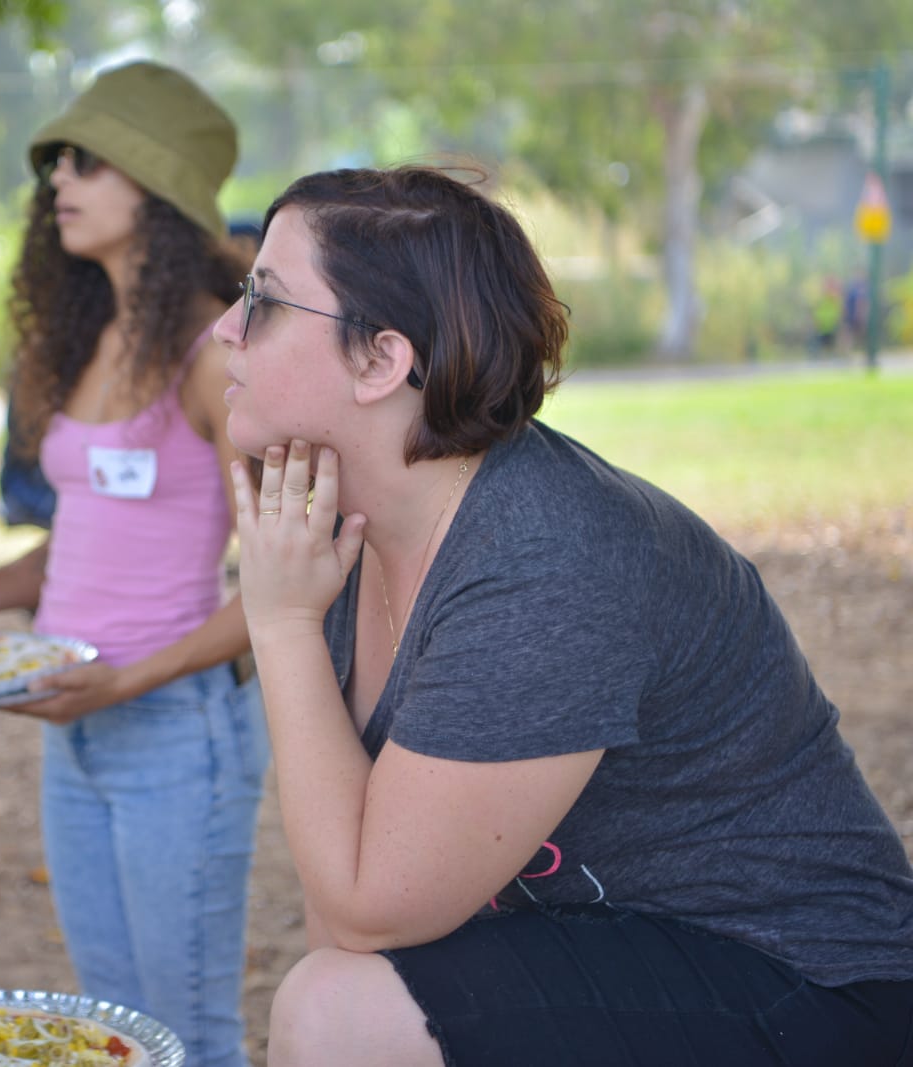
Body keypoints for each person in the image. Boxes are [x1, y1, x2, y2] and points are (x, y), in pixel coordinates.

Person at [216, 167, 913, 1065]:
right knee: (336, 1000)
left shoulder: (545, 555)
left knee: (331, 1014)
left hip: (808, 984)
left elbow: (365, 906)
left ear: (380, 360)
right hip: (613, 945)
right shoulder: (351, 526)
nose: (223, 327)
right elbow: (349, 906)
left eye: (262, 301)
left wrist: (280, 626)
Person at [0, 62, 266, 1067]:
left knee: (190, 1039)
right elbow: (94, 533)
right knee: (113, 1032)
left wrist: (126, 681)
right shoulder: (87, 338)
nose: (59, 177)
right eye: (56, 160)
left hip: (177, 734)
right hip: (77, 726)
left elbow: (283, 586)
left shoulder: (218, 358)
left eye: (88, 160)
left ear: (161, 188)